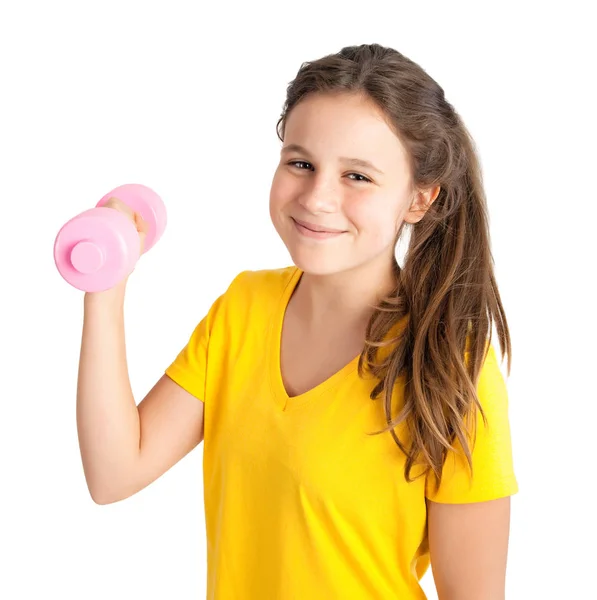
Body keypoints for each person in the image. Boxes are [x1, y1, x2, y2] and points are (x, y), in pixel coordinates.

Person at [77, 43, 518, 599]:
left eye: (357, 176)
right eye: (301, 163)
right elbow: (115, 472)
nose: (317, 198)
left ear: (419, 200)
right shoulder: (243, 308)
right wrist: (105, 287)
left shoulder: (450, 363)